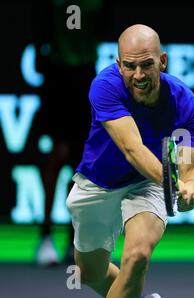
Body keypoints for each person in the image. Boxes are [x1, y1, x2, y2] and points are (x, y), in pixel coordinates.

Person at [65, 24, 194, 298]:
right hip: (99, 182)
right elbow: (132, 150)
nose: (138, 75)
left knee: (137, 255)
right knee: (89, 273)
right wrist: (173, 184)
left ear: (162, 61)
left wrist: (190, 187)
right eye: (130, 66)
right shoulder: (104, 86)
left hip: (147, 184)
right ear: (118, 65)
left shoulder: (190, 107)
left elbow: (191, 170)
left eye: (146, 65)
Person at [35, 0, 105, 266]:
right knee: (57, 155)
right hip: (57, 78)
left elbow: (102, 30)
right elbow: (41, 29)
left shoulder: (97, 4)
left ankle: (73, 241)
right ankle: (45, 237)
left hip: (84, 78)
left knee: (80, 163)